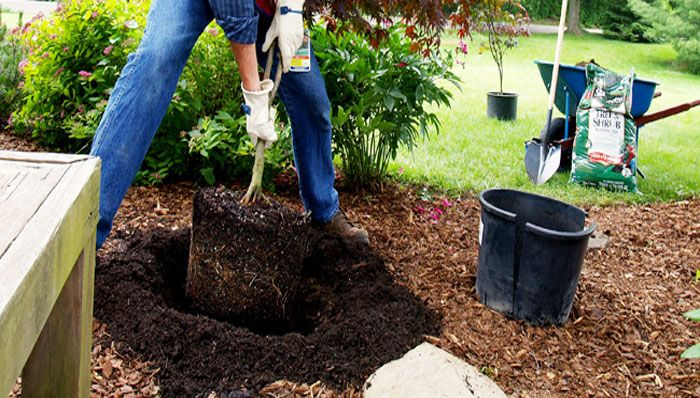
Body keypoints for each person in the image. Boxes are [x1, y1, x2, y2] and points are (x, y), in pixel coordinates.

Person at [89, 0, 369, 249]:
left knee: (312, 100)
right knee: (155, 61)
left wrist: (291, 7)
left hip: (264, 7)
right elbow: (233, 10)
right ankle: (88, 226)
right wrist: (254, 93)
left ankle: (323, 211)